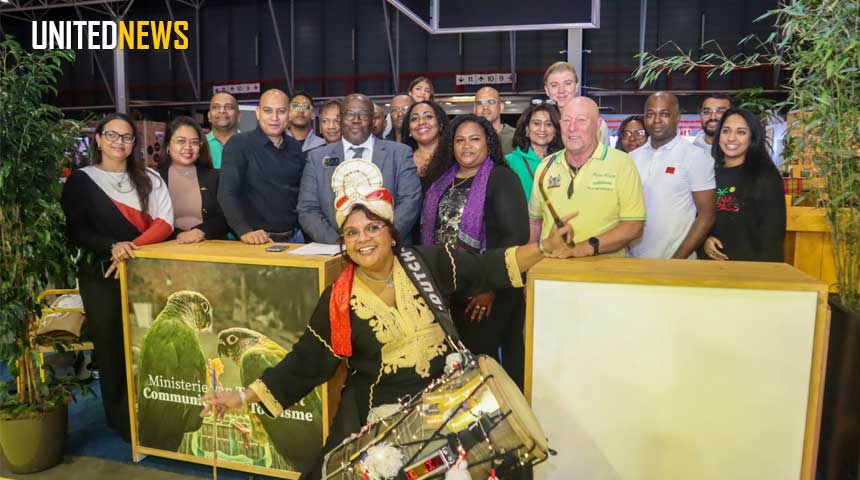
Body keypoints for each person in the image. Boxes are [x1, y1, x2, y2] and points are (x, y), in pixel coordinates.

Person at [199, 175, 574, 480]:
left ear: (390, 233)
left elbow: (487, 268)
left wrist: (544, 246)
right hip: (382, 418)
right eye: (352, 233)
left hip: (449, 401)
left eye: (372, 228)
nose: (363, 239)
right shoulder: (338, 299)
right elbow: (305, 363)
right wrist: (242, 397)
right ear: (343, 243)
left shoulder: (426, 262)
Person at [61, 113, 173, 442]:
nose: (118, 142)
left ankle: (155, 410)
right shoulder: (81, 181)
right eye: (111, 135)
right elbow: (76, 230)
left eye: (126, 137)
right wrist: (110, 247)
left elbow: (164, 223)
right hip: (100, 277)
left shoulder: (150, 178)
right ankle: (122, 419)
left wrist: (128, 249)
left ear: (134, 143)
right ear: (98, 139)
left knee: (149, 343)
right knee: (111, 347)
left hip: (144, 274)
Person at [420, 114, 529, 388]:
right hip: (449, 289)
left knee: (485, 367)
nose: (466, 146)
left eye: (474, 139)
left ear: (488, 143)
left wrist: (488, 287)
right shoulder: (441, 179)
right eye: (460, 140)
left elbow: (515, 236)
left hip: (487, 293)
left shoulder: (502, 178)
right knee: (453, 366)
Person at [529, 97, 646, 257]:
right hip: (552, 267)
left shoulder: (622, 164)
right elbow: (535, 222)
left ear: (598, 125)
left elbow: (634, 226)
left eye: (581, 120)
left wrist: (584, 248)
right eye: (566, 120)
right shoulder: (545, 166)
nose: (572, 128)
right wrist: (531, 258)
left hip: (604, 269)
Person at [299, 94, 422, 244]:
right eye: (349, 114)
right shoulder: (316, 158)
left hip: (389, 247)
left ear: (373, 120)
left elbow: (410, 201)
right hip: (335, 249)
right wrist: (340, 243)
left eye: (363, 114)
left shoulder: (400, 153)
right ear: (340, 119)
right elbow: (308, 209)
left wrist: (380, 239)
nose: (356, 120)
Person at [628, 92, 716, 259]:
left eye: (664, 114)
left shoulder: (695, 157)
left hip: (677, 262)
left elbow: (707, 215)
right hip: (634, 261)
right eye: (650, 114)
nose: (656, 120)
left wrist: (677, 260)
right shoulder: (632, 158)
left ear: (677, 117)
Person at [218, 89, 306, 244]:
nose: (274, 118)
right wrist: (244, 231)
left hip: (295, 238)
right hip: (258, 241)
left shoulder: (295, 147)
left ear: (289, 115)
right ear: (258, 113)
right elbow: (227, 193)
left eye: (281, 111)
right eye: (268, 111)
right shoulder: (239, 144)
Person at [703, 109, 785, 262]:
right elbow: (700, 219)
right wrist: (704, 241)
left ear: (752, 138)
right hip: (711, 267)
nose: (731, 138)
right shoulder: (709, 175)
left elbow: (773, 235)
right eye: (726, 131)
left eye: (741, 132)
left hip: (751, 268)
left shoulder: (766, 177)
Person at [157, 116, 230, 243]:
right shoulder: (154, 179)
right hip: (167, 248)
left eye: (194, 142)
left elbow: (228, 215)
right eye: (181, 141)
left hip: (210, 246)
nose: (188, 147)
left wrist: (200, 231)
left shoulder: (215, 177)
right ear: (168, 145)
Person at [506, 103, 563, 202]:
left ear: (555, 131)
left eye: (548, 124)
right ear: (527, 129)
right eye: (536, 123)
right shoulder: (509, 162)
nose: (542, 129)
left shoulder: (563, 160)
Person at [543, 61, 610, 145]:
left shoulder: (596, 124)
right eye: (554, 85)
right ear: (547, 90)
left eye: (568, 83)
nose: (561, 90)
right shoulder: (541, 126)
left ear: (576, 86)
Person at [401, 100, 449, 182]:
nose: (421, 122)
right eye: (414, 119)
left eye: (428, 117)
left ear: (440, 123)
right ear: (409, 129)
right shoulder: (403, 160)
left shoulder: (454, 157)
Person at [474, 86, 516, 155]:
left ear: (501, 107)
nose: (485, 107)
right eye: (480, 103)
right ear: (474, 109)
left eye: (491, 102)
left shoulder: (516, 137)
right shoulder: (467, 138)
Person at [206, 92, 240, 169]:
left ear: (238, 115)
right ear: (209, 116)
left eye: (228, 107)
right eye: (215, 107)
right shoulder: (200, 144)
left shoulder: (250, 144)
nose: (222, 111)